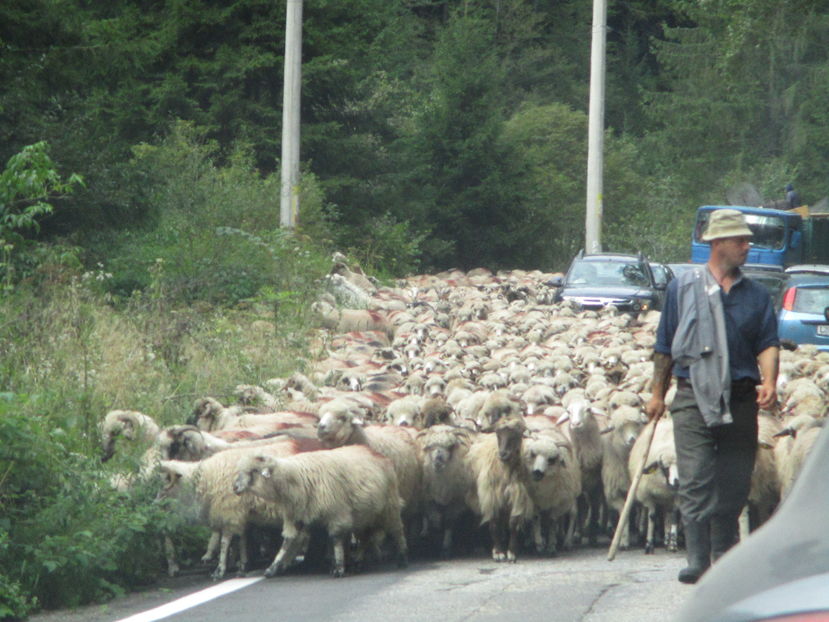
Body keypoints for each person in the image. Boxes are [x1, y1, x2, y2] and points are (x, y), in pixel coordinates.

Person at [645, 208, 779, 585]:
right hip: (691, 394)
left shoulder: (755, 295)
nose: (747, 246)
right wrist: (657, 393)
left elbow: (767, 342)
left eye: (747, 240)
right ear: (718, 243)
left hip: (739, 398)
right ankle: (697, 558)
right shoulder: (682, 288)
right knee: (695, 478)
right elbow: (664, 345)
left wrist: (769, 380)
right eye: (740, 240)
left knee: (735, 481)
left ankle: (725, 554)